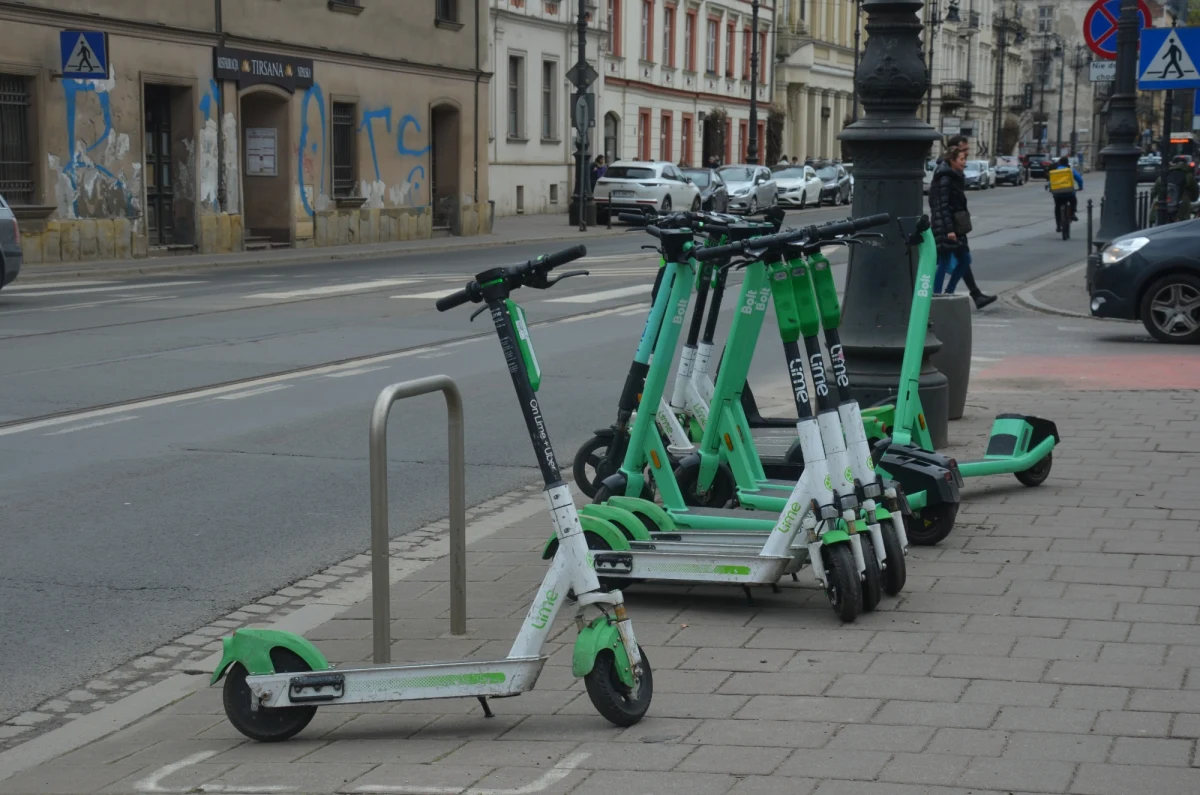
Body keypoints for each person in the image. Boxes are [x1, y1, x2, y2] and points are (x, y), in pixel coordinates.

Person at [929, 146, 997, 309]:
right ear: (952, 161)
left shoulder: (953, 176)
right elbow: (942, 206)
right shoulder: (946, 178)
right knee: (946, 260)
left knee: (963, 259)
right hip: (948, 227)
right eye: (961, 159)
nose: (964, 162)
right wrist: (950, 229)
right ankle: (938, 296)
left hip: (955, 226)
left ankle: (946, 293)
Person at [1149, 155, 1199, 225]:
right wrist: (1193, 199)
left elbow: (1155, 190)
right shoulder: (1188, 175)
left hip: (1163, 204)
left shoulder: (1165, 173)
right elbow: (1194, 191)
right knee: (1182, 225)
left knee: (1159, 221)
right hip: (1181, 205)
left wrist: (1155, 197)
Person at [1045, 156, 1083, 231]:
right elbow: (1079, 179)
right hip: (1069, 193)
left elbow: (1051, 181)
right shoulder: (1070, 170)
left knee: (1057, 207)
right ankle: (1072, 214)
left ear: (1059, 163)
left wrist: (1049, 187)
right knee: (1073, 201)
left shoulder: (1055, 171)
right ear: (1067, 163)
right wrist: (1080, 187)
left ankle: (1058, 226)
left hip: (1057, 194)